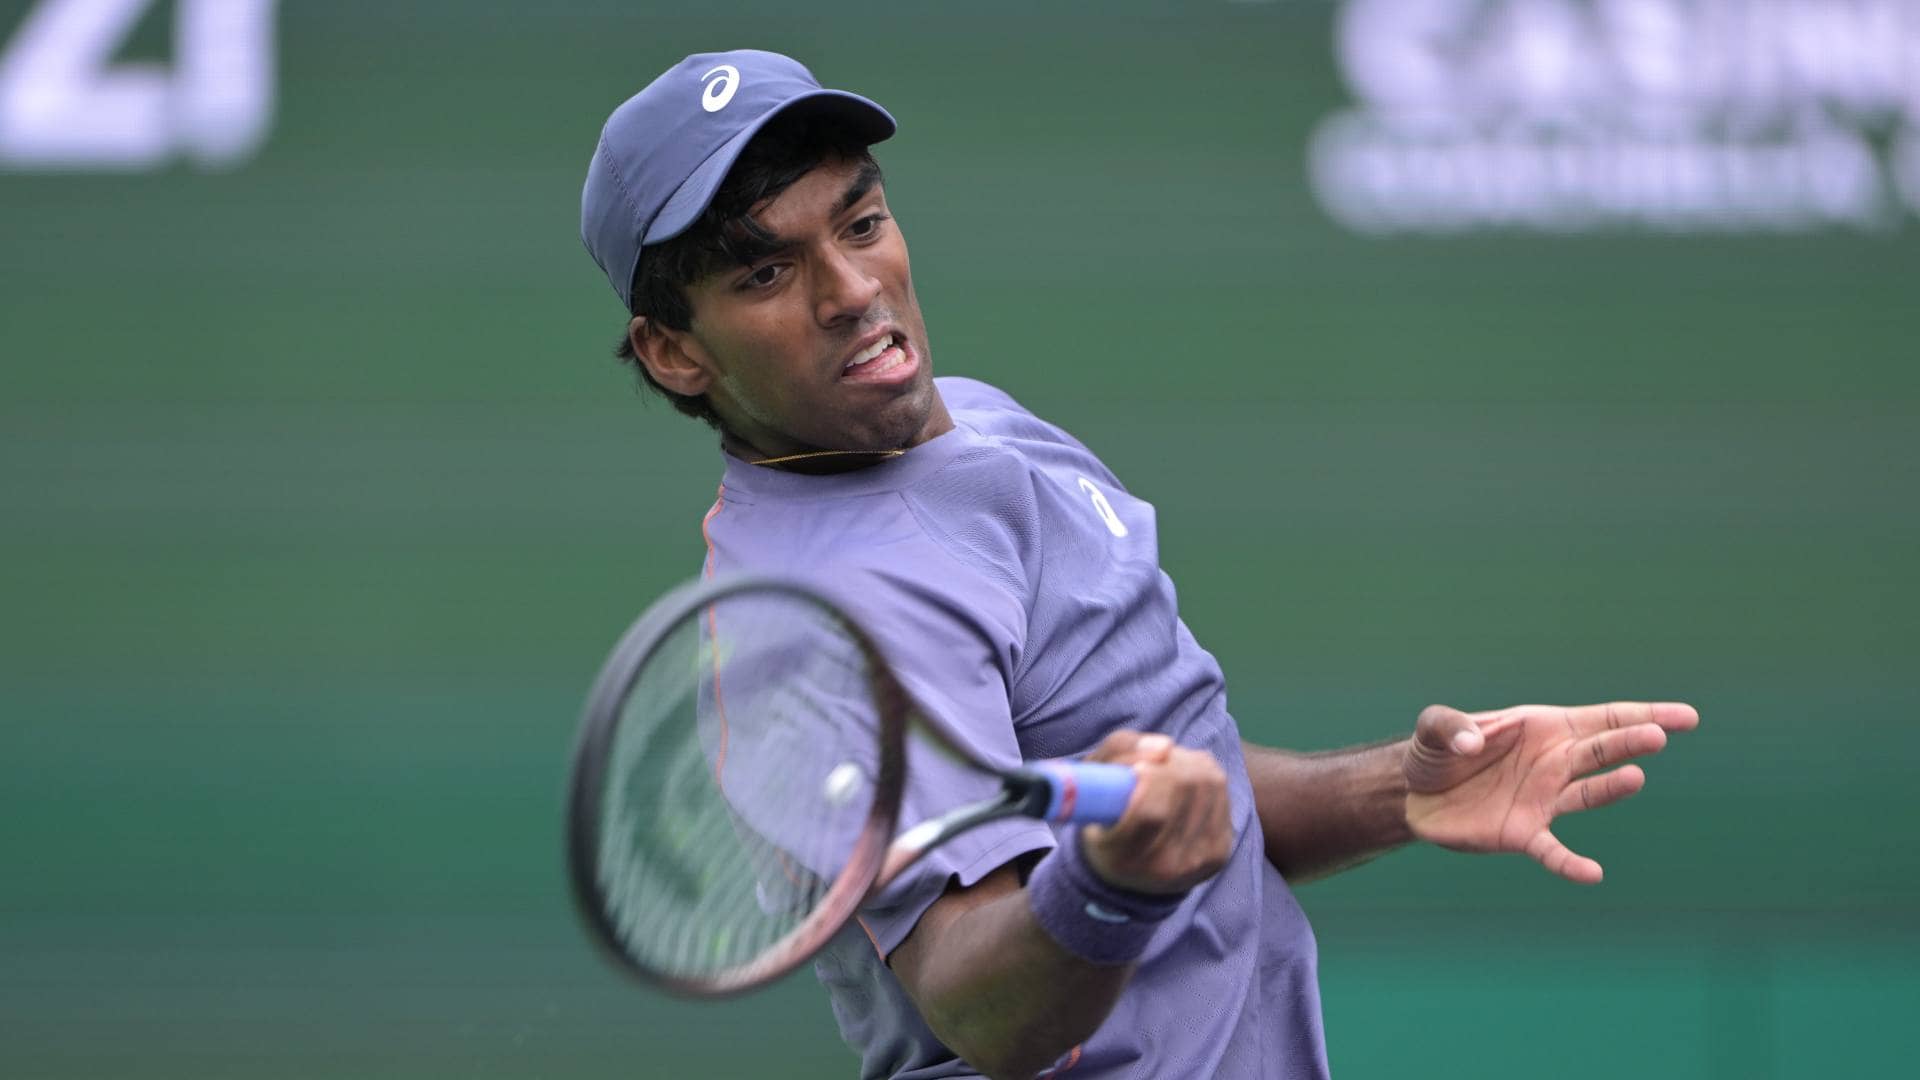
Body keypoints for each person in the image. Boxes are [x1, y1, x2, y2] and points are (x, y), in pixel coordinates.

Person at [578, 50, 1699, 1080]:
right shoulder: (824, 624)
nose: (851, 290)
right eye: (766, 273)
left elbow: (1176, 782)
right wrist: (1110, 885)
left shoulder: (977, 421)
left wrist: (1399, 790)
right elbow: (977, 1002)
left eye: (861, 223)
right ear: (674, 352)